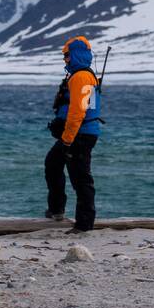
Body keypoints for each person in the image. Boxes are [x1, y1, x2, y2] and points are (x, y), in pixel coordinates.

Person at [45, 36, 101, 232]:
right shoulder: (79, 75)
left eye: (67, 55)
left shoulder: (81, 77)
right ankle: (56, 210)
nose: (65, 60)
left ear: (76, 54)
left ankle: (84, 225)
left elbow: (78, 111)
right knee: (52, 163)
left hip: (80, 135)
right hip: (76, 133)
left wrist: (67, 139)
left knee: (80, 178)